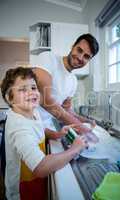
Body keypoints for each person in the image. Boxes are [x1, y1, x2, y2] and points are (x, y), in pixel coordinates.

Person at [1, 67, 88, 200]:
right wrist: (74, 149)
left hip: (35, 182)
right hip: (23, 191)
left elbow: (40, 130)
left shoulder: (32, 111)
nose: (31, 93)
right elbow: (40, 167)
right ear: (10, 98)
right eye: (23, 89)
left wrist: (57, 134)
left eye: (33, 88)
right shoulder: (18, 127)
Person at [32, 33, 99, 134]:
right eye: (79, 50)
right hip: (27, 125)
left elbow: (67, 110)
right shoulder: (48, 58)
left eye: (86, 56)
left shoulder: (73, 81)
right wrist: (81, 127)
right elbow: (45, 100)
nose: (80, 58)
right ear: (72, 46)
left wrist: (86, 121)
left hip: (44, 129)